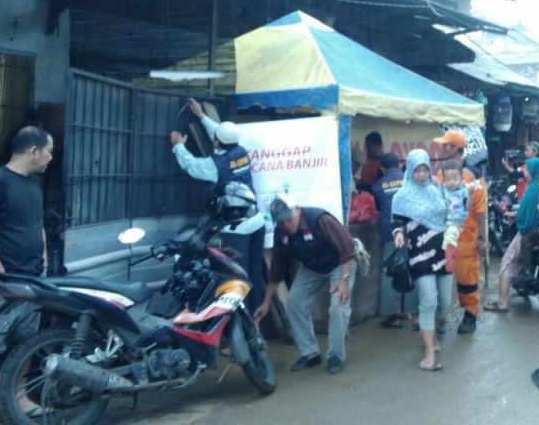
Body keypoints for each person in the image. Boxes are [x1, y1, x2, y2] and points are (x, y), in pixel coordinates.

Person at [0, 126, 54, 425]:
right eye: (49, 151)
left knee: (26, 343)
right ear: (33, 150)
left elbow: (37, 224)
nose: (51, 157)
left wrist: (43, 260)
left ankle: (20, 396)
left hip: (31, 281)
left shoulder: (35, 184)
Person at [169, 98, 264, 313]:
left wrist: (178, 146)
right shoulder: (241, 151)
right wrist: (201, 116)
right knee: (254, 273)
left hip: (238, 229)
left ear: (216, 143)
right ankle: (255, 322)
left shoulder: (215, 166)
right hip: (256, 220)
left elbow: (191, 165)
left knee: (237, 279)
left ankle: (241, 326)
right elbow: (220, 135)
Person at [254, 197, 357, 375]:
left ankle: (336, 356)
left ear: (295, 210)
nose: (287, 225)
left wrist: (344, 280)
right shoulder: (281, 234)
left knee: (338, 306)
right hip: (312, 267)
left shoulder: (319, 219)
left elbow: (348, 250)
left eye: (288, 219)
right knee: (294, 301)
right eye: (281, 222)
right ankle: (310, 354)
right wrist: (266, 302)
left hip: (340, 264)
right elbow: (276, 271)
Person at [391, 149, 453, 370]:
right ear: (410, 170)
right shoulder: (401, 196)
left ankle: (433, 331)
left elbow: (451, 214)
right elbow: (396, 222)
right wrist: (398, 234)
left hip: (442, 251)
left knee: (445, 302)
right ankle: (429, 353)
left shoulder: (437, 191)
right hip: (419, 254)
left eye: (425, 170)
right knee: (429, 301)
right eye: (417, 171)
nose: (421, 175)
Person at [485, 159, 539, 312]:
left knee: (508, 262)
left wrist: (519, 220)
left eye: (527, 170)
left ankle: (502, 302)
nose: (525, 172)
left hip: (536, 230)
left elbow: (532, 215)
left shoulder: (537, 190)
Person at [433, 130, 486, 334]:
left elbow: (480, 210)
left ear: (455, 148)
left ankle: (470, 315)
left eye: (445, 145)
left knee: (467, 279)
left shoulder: (473, 177)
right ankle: (439, 318)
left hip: (467, 238)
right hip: (445, 236)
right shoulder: (441, 174)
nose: (441, 148)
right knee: (441, 277)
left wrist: (481, 237)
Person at [372, 152, 416, 328]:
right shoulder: (409, 180)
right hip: (410, 231)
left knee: (390, 272)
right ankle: (409, 311)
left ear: (382, 168)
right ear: (399, 165)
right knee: (410, 270)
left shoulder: (378, 185)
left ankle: (392, 315)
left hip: (390, 233)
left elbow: (378, 207)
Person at [440, 159, 476, 273]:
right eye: (448, 179)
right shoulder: (442, 190)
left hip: (456, 222)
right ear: (443, 180)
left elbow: (468, 207)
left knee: (450, 237)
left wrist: (470, 194)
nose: (451, 182)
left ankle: (450, 261)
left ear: (461, 178)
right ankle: (447, 258)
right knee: (445, 240)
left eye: (455, 179)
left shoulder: (463, 192)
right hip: (443, 222)